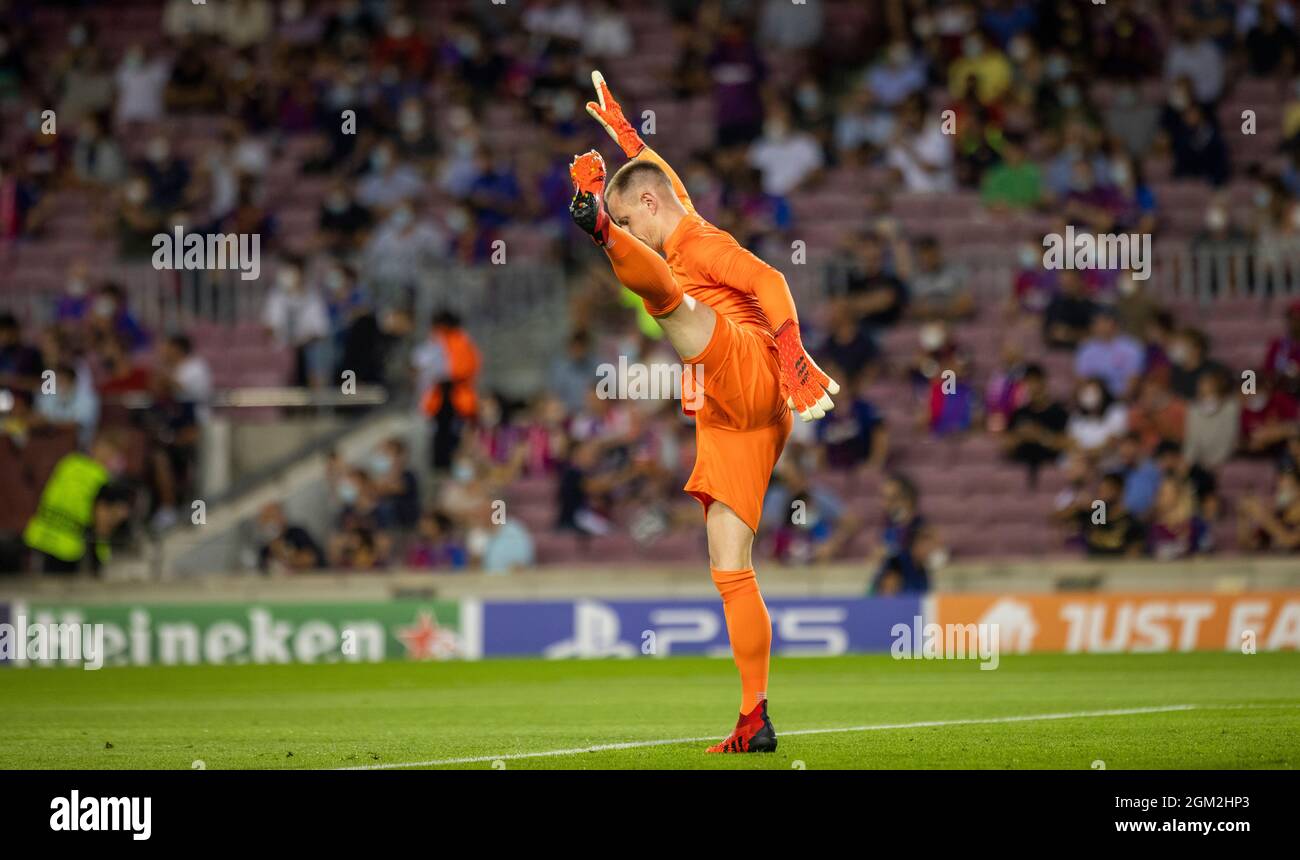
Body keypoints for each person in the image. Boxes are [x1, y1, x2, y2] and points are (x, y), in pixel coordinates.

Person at [569, 72, 839, 754]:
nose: (639, 233)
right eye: (621, 226)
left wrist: (792, 354)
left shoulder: (697, 244)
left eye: (630, 222)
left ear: (648, 206)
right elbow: (662, 178)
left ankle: (590, 228)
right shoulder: (675, 209)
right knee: (728, 564)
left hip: (749, 369)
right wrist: (626, 132)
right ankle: (755, 717)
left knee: (677, 311)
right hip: (732, 417)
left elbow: (771, 280)